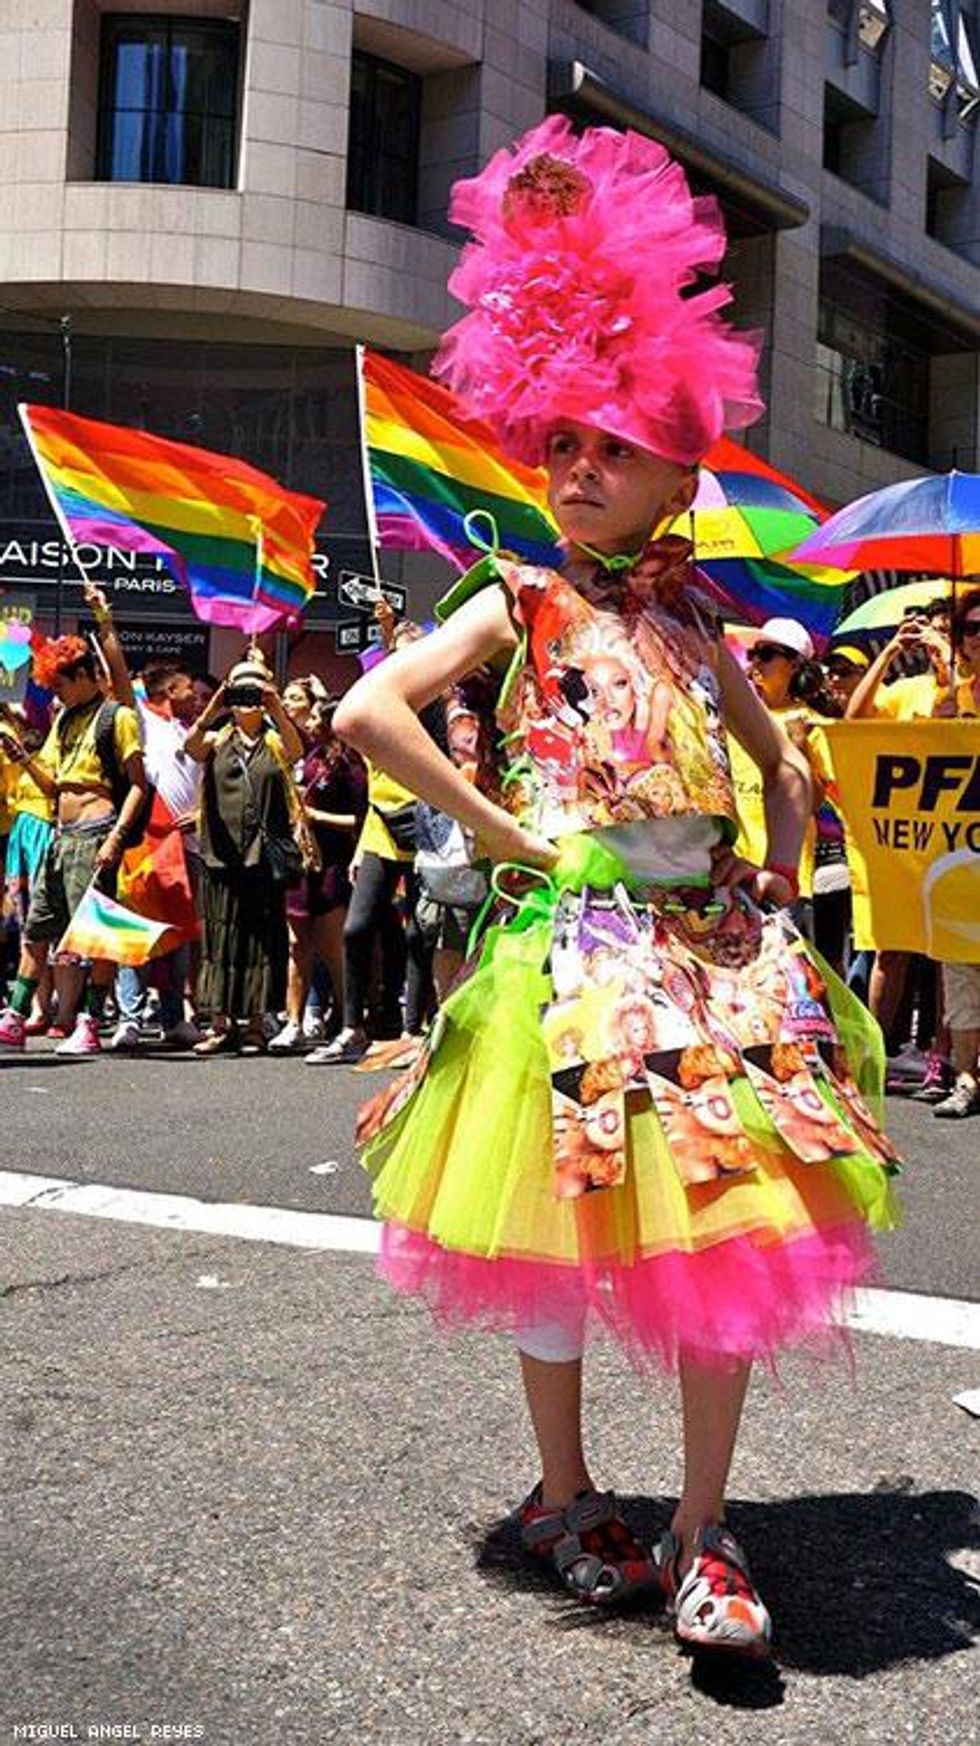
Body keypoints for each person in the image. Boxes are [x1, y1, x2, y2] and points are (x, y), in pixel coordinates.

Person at [334, 120, 899, 1662]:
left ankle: (704, 1527)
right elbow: (369, 713)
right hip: (579, 959)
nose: (578, 472)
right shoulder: (517, 598)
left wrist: (780, 858)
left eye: (611, 446)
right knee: (557, 1231)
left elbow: (788, 763)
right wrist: (502, 837)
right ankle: (567, 1492)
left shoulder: (704, 620)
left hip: (716, 959)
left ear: (674, 459)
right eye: (559, 446)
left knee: (730, 1227)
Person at [0, 635, 147, 1056]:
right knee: (37, 928)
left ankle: (90, 1021)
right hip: (60, 836)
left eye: (61, 684)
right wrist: (23, 759)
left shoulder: (115, 717)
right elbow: (52, 783)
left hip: (97, 832)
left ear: (83, 675)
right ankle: (15, 1015)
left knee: (96, 932)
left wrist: (116, 837)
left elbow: (138, 784)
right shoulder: (65, 720)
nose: (56, 693)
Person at [185, 654, 302, 1055]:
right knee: (220, 939)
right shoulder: (218, 737)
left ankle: (254, 1025)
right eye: (241, 689)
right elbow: (192, 748)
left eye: (255, 687)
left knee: (259, 940)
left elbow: (296, 749)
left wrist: (276, 707)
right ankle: (219, 1023)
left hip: (262, 856)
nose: (247, 697)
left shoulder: (273, 739)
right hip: (220, 855)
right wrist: (215, 705)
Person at [270, 679, 366, 1053]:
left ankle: (347, 1018)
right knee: (296, 944)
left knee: (330, 946)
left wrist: (316, 816)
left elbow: (359, 821)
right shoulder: (306, 758)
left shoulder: (350, 765)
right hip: (302, 863)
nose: (308, 721)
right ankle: (293, 1021)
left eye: (314, 715)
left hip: (333, 862)